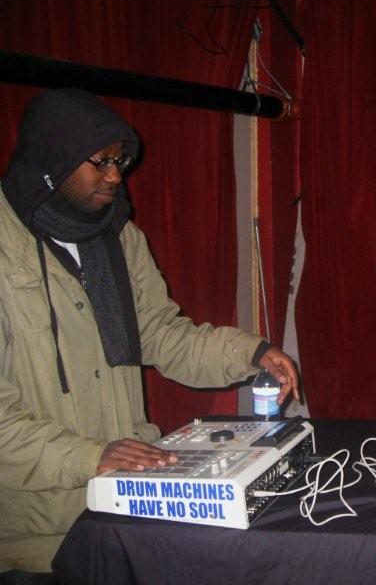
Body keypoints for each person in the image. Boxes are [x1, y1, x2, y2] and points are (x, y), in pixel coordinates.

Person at [0, 88, 300, 576]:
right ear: (55, 159)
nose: (116, 176)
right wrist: (90, 457)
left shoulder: (118, 235)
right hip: (37, 537)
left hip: (124, 510)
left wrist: (252, 352)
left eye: (120, 160)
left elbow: (159, 332)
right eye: (101, 162)